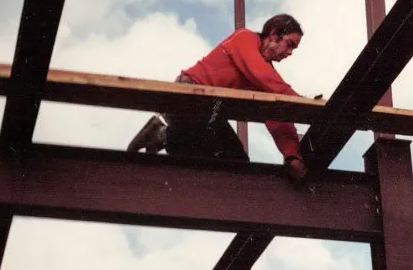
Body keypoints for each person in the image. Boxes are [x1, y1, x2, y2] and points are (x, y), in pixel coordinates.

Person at [127, 13, 308, 181]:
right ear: (274, 34)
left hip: (209, 112)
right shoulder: (244, 39)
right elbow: (261, 73)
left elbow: (277, 115)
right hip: (187, 95)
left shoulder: (266, 77)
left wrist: (292, 155)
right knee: (211, 147)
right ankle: (161, 135)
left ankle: (161, 136)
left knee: (237, 161)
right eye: (290, 44)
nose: (290, 52)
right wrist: (298, 100)